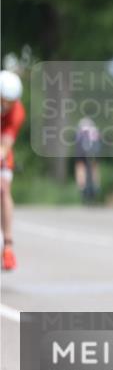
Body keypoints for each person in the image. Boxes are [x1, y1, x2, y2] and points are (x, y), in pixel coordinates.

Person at [1, 70, 25, 271]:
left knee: (3, 189)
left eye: (11, 101)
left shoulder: (17, 111)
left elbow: (6, 143)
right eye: (4, 100)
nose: (7, 105)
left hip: (1, 148)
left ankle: (8, 245)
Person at [74, 117, 101, 203]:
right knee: (94, 166)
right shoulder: (94, 130)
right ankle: (96, 185)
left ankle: (81, 187)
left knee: (80, 166)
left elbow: (77, 145)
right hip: (94, 152)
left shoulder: (80, 131)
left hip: (81, 153)